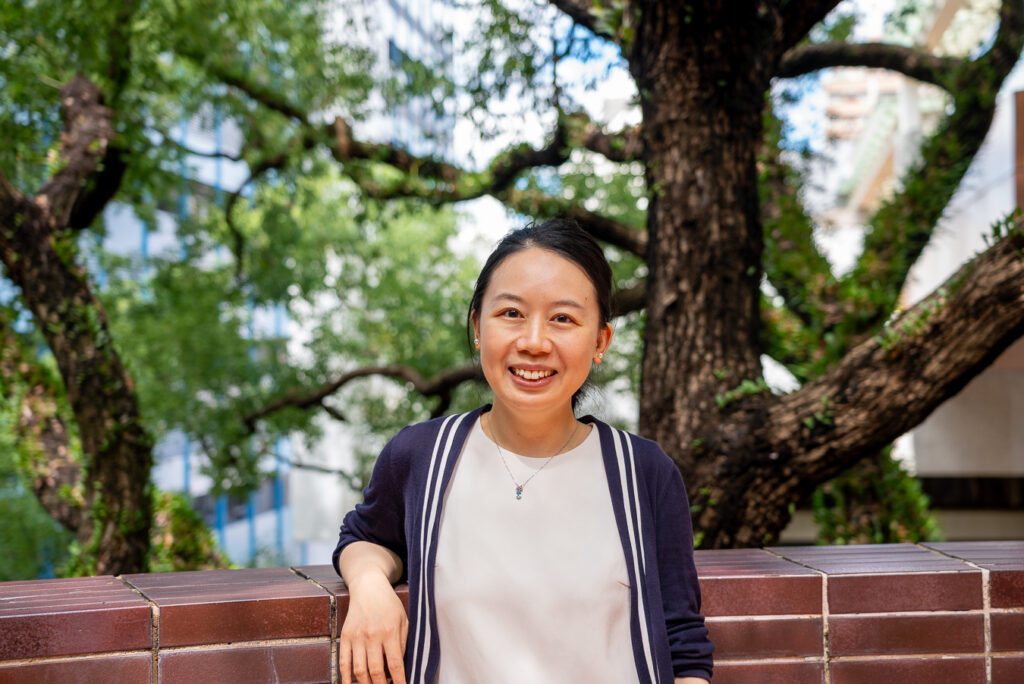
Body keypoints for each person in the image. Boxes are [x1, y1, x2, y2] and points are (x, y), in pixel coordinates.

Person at [333, 218, 714, 684]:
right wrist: (370, 586)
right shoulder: (422, 456)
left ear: (600, 342)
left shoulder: (644, 472)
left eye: (563, 319)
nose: (533, 342)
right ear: (478, 327)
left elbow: (684, 644)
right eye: (511, 313)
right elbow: (366, 539)